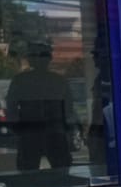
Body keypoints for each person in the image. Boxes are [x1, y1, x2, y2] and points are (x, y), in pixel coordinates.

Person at [6, 42, 79, 171]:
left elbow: (68, 109)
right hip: (34, 132)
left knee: (60, 170)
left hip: (50, 132)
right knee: (30, 171)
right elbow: (11, 108)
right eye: (34, 55)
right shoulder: (22, 80)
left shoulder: (57, 80)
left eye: (42, 55)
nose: (39, 59)